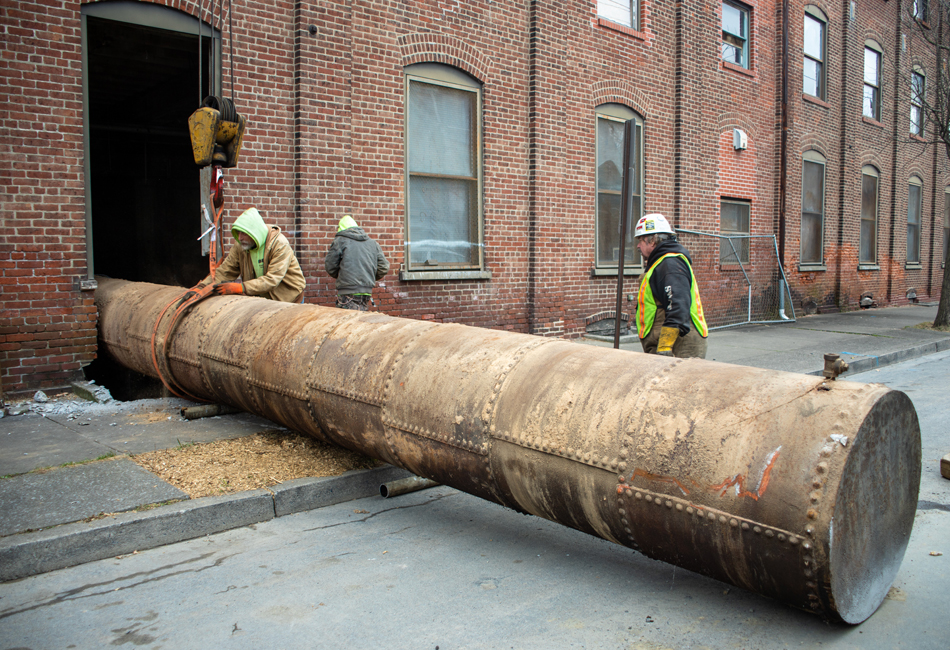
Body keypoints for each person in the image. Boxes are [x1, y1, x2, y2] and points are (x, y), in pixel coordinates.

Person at [634, 213, 709, 358]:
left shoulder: (670, 264)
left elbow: (677, 304)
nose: (638, 245)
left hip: (679, 346)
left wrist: (665, 345)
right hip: (670, 344)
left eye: (641, 240)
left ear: (652, 241)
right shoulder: (662, 262)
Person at [197, 206, 306, 303]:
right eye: (238, 233)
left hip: (289, 300)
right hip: (266, 301)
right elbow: (226, 270)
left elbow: (272, 279)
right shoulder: (241, 246)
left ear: (255, 231)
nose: (240, 238)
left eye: (244, 233)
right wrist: (201, 287)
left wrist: (241, 288)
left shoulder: (279, 244)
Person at [324, 215, 389, 311]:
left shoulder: (340, 241)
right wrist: (368, 276)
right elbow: (383, 267)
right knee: (361, 321)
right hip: (366, 291)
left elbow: (330, 266)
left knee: (348, 323)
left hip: (347, 291)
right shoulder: (372, 243)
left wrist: (344, 276)